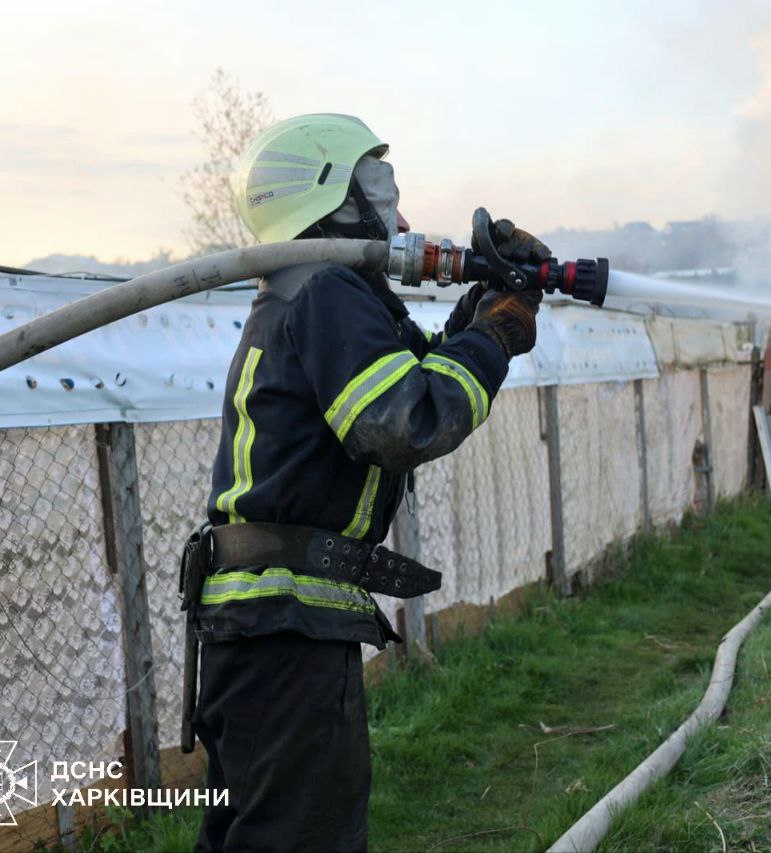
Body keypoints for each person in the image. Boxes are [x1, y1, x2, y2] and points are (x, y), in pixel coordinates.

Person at [187, 113, 550, 852]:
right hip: (283, 632)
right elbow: (404, 419)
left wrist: (483, 312)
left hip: (259, 632)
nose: (404, 219)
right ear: (334, 204)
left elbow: (413, 377)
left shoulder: (308, 297)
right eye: (382, 194)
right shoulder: (327, 290)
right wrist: (496, 336)